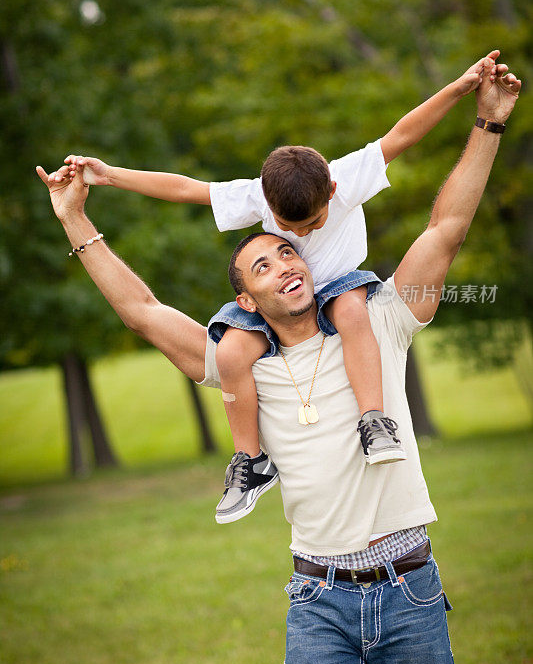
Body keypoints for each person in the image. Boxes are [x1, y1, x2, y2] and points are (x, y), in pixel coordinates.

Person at [37, 57, 520, 664]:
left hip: (410, 589)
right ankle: (249, 465)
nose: (286, 262)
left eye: (290, 252)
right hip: (317, 599)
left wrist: (486, 122)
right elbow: (143, 312)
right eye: (262, 264)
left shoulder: (380, 321)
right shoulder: (242, 362)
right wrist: (75, 213)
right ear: (244, 301)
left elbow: (447, 227)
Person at [54, 53, 500, 525]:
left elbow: (408, 144)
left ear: (331, 190)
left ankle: (374, 421)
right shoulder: (254, 198)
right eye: (282, 240)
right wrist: (106, 179)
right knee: (227, 350)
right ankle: (249, 460)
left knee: (351, 313)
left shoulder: (348, 185)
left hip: (347, 291)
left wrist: (462, 90)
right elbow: (182, 196)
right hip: (312, 580)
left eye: (296, 241)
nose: (301, 242)